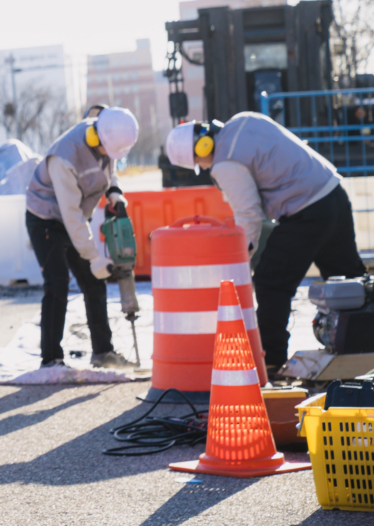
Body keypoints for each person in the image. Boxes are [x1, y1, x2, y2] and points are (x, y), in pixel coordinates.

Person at [164, 112, 366, 374]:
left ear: (203, 147)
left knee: (271, 280)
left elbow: (248, 215)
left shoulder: (225, 163)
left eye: (198, 161)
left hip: (306, 211)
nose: (203, 167)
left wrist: (240, 259)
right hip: (334, 195)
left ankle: (270, 360)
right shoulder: (244, 119)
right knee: (348, 282)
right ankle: (362, 348)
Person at [24, 106, 139, 369]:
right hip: (46, 219)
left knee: (93, 282)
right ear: (95, 138)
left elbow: (109, 167)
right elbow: (72, 216)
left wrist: (114, 191)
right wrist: (94, 256)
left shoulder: (107, 138)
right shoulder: (65, 158)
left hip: (73, 217)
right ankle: (51, 359)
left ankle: (103, 352)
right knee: (57, 283)